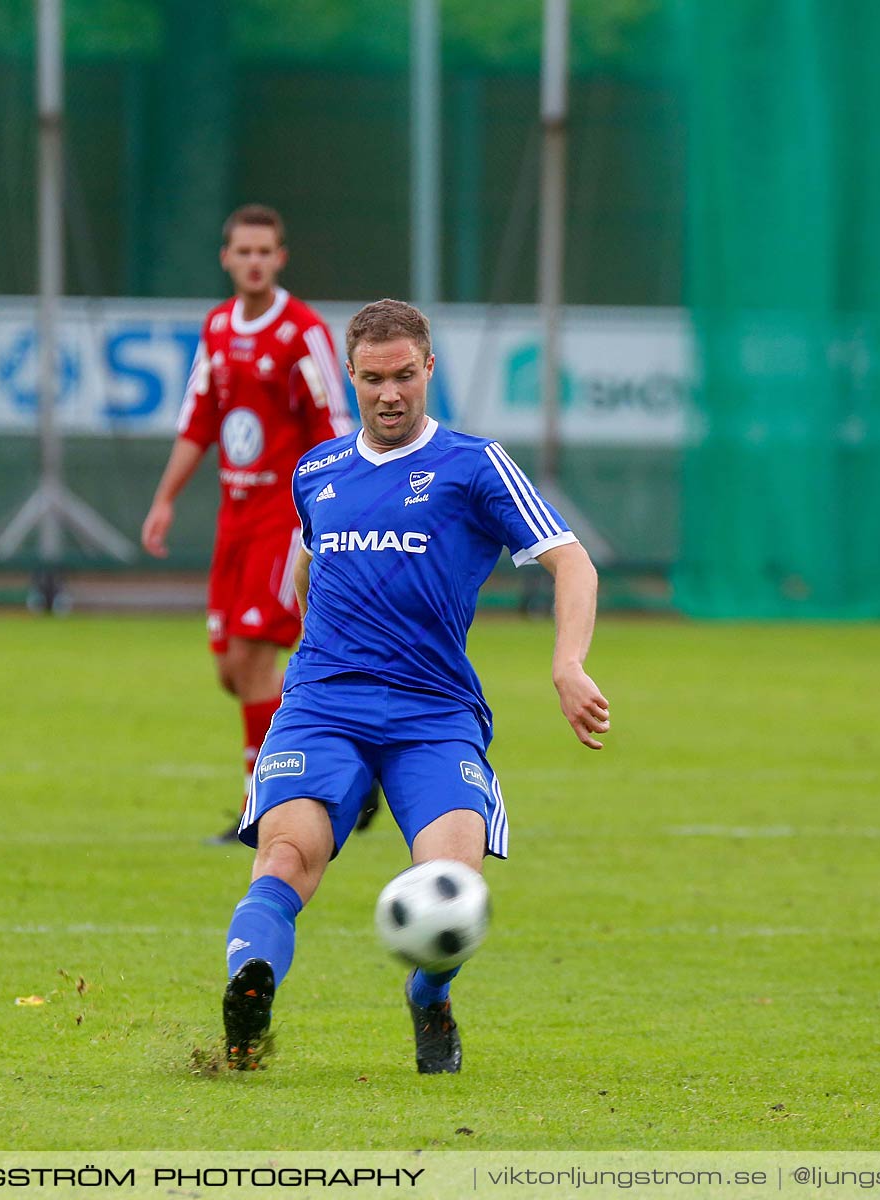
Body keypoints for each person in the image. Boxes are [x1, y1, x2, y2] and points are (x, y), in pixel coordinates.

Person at [218, 299, 610, 1073]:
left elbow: (573, 560)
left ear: (430, 369)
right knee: (287, 858)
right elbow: (305, 572)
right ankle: (248, 992)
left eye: (404, 376)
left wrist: (567, 664)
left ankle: (430, 995)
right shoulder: (318, 472)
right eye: (372, 379)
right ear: (352, 379)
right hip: (323, 709)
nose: (389, 394)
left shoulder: (474, 465)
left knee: (453, 885)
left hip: (433, 714)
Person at [140, 205, 356, 842]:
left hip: (284, 521)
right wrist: (165, 498)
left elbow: (336, 424)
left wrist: (332, 506)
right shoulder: (215, 328)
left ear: (281, 258)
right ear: (226, 258)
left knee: (253, 661)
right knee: (233, 673)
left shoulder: (302, 332)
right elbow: (199, 419)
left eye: (266, 251)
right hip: (233, 521)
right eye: (244, 250)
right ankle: (347, 737)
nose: (255, 261)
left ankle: (258, 813)